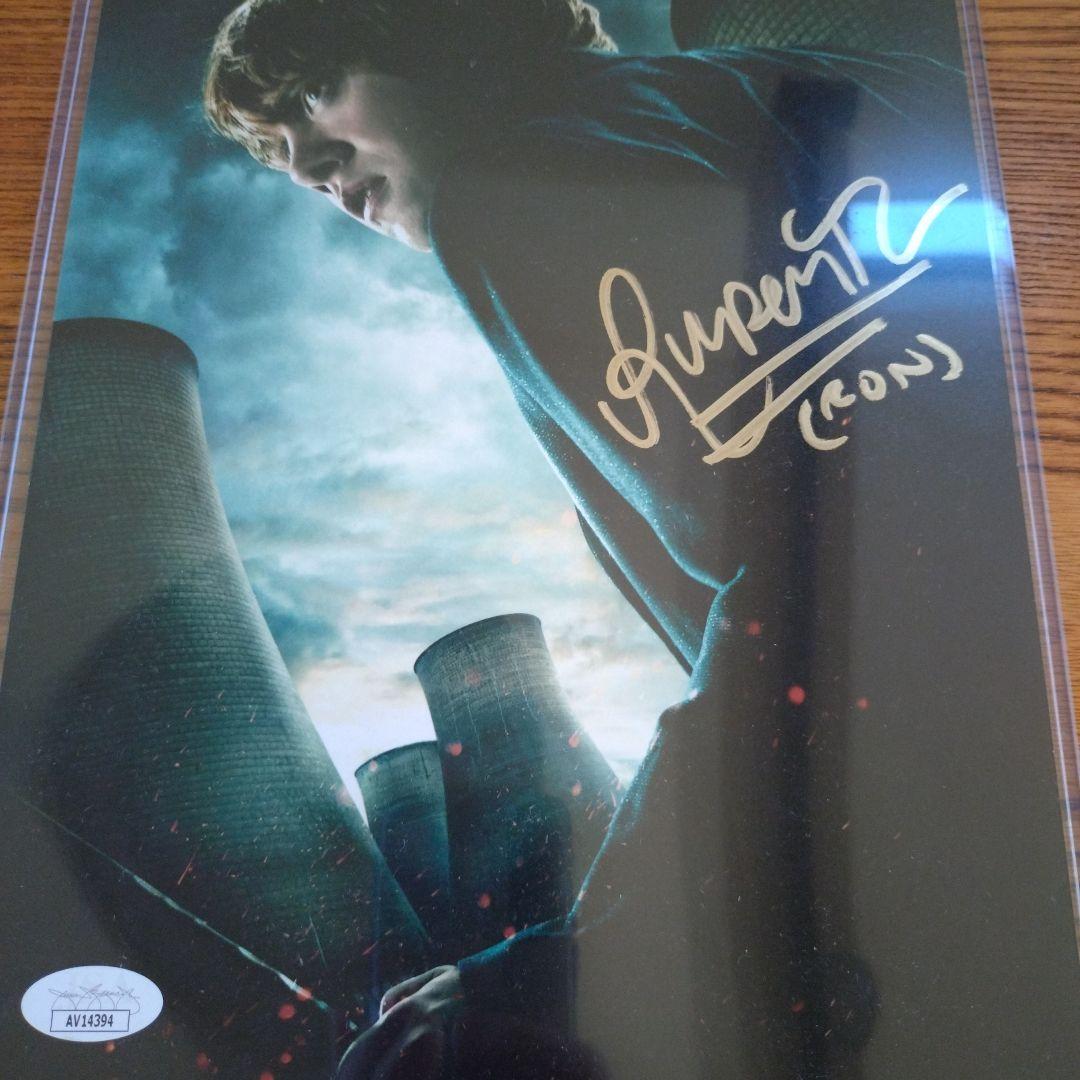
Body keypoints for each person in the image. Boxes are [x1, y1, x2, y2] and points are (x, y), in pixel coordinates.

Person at [203, 3, 1027, 1078]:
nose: (309, 167)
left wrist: (549, 963)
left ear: (430, 30)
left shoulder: (509, 197)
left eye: (315, 93)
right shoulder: (750, 87)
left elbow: (813, 594)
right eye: (279, 151)